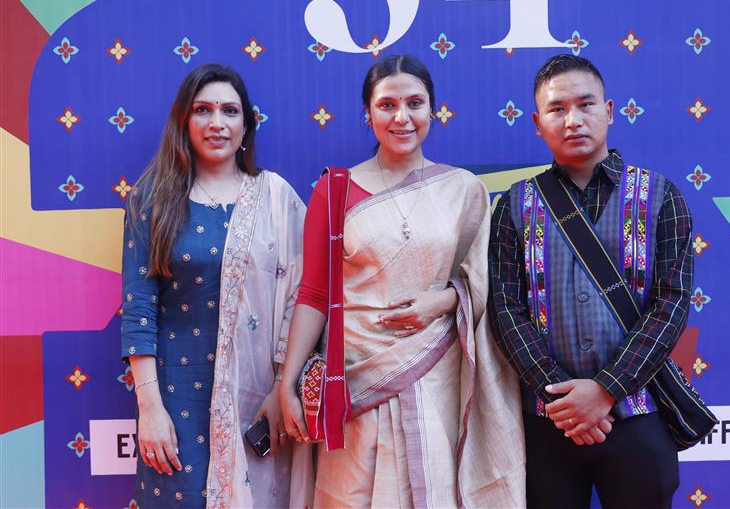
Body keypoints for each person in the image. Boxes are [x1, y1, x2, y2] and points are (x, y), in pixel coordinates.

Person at [279, 54, 526, 508]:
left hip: (439, 378)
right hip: (354, 382)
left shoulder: (462, 189)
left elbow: (486, 283)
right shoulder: (334, 191)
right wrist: (289, 381)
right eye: (387, 105)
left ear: (434, 110)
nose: (402, 117)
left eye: (415, 103)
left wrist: (447, 300)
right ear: (367, 114)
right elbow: (314, 293)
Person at [488, 54, 693, 509]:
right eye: (557, 109)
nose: (573, 119)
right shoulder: (513, 206)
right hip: (545, 424)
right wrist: (560, 397)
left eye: (586, 104)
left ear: (610, 111)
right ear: (537, 122)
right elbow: (504, 309)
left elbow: (671, 304)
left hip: (639, 416)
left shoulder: (661, 196)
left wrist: (605, 390)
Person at [121, 63, 312, 508]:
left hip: (260, 397)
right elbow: (138, 307)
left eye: (229, 111)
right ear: (184, 123)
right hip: (175, 396)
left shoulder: (276, 198)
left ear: (246, 125)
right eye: (203, 110)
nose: (216, 123)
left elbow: (304, 296)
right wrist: (149, 410)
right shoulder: (152, 198)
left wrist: (282, 387)